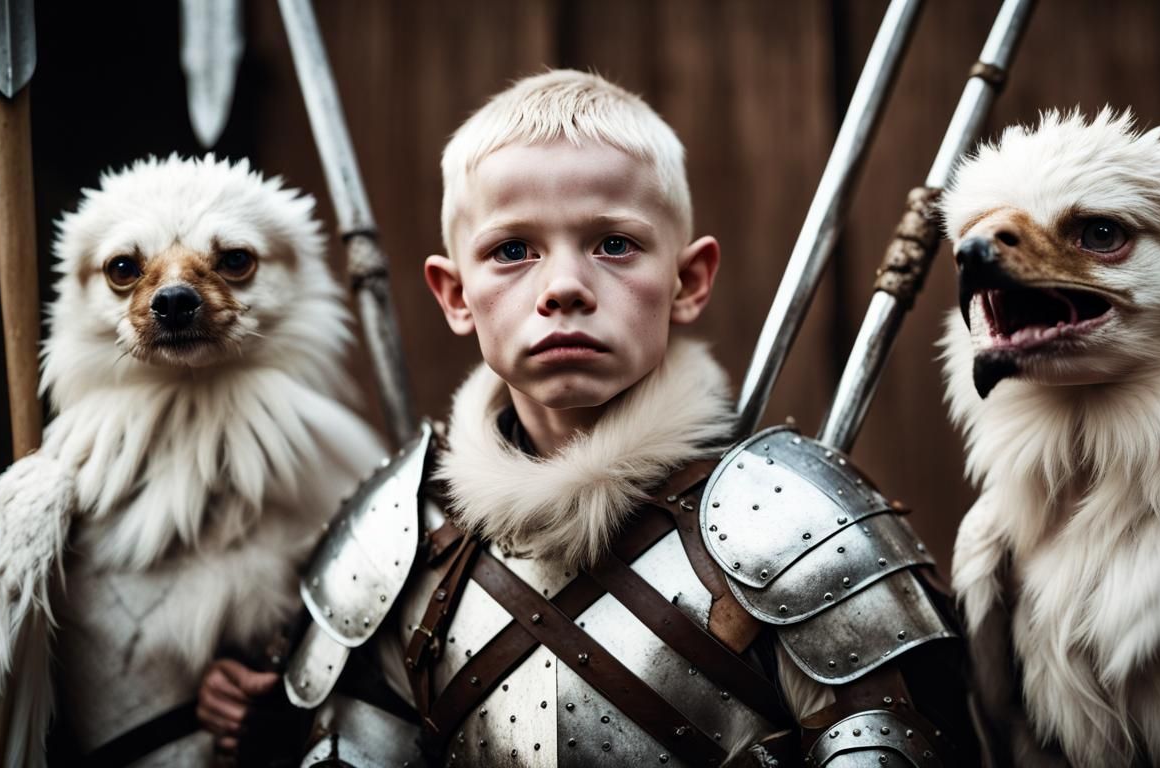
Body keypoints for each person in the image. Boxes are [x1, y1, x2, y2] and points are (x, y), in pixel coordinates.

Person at [202, 68, 975, 766]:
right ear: (454, 294)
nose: (564, 286)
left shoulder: (788, 517)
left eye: (613, 244)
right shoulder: (400, 536)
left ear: (689, 279)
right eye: (512, 250)